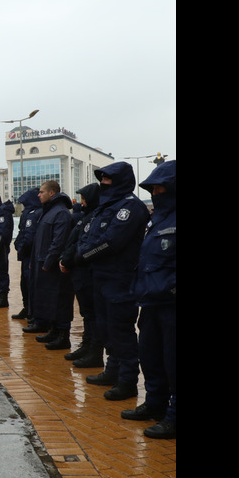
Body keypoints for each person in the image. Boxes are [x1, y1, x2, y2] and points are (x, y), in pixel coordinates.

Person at [76, 162, 150, 401]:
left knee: (121, 330)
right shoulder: (103, 208)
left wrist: (85, 254)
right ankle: (112, 370)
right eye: (102, 179)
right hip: (100, 275)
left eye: (108, 179)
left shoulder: (130, 207)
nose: (103, 183)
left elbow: (112, 241)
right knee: (106, 328)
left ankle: (127, 381)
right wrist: (85, 250)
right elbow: (87, 236)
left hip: (120, 278)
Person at [121, 160, 176, 439]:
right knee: (151, 357)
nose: (155, 192)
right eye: (152, 187)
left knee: (173, 361)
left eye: (160, 186)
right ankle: (155, 404)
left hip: (171, 303)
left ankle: (174, 417)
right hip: (151, 301)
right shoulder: (159, 219)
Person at [24, 181, 74, 348]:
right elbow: (39, 240)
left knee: (59, 300)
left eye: (41, 192)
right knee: (47, 299)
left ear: (52, 193)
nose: (39, 195)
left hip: (51, 267)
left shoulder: (61, 213)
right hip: (41, 264)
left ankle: (62, 334)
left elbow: (58, 242)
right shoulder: (48, 212)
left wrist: (48, 262)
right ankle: (53, 330)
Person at [59, 183, 103, 366]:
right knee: (86, 313)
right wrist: (65, 259)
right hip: (78, 270)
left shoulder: (95, 217)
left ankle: (95, 351)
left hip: (86, 271)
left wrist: (71, 260)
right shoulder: (84, 217)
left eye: (84, 198)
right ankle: (87, 345)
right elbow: (72, 241)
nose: (82, 202)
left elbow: (86, 244)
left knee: (92, 314)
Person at [11, 188, 42, 322]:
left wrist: (21, 247)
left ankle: (33, 311)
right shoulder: (29, 213)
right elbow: (22, 232)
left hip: (30, 255)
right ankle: (27, 308)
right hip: (26, 255)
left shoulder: (34, 213)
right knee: (24, 283)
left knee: (31, 284)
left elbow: (29, 236)